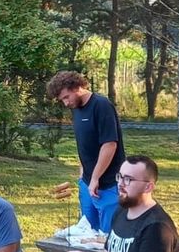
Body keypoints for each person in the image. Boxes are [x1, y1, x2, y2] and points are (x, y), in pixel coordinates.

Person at [47, 71, 126, 233]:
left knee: (107, 236)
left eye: (66, 97)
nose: (65, 103)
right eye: (62, 100)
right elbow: (85, 142)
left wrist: (96, 178)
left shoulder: (102, 106)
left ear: (77, 87)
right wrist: (83, 172)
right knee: (88, 233)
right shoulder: (76, 109)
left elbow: (109, 145)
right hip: (87, 182)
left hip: (109, 184)